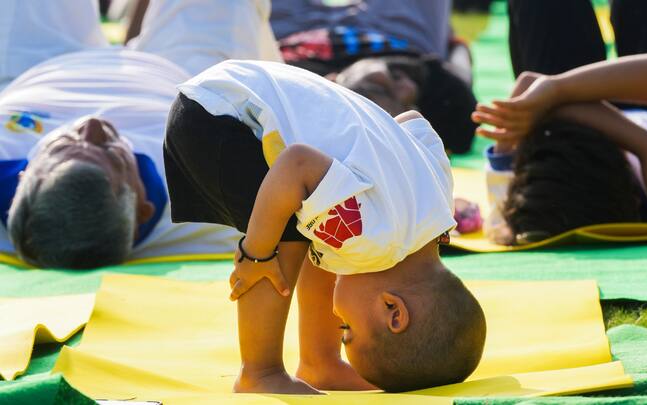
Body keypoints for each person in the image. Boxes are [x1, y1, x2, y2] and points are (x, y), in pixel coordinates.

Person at [164, 60, 486, 393]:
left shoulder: (436, 209)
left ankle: (321, 363)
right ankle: (259, 373)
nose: (339, 319)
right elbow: (296, 164)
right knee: (284, 233)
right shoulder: (374, 237)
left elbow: (412, 122)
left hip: (240, 91)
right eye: (348, 328)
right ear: (393, 310)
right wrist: (256, 253)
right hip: (217, 117)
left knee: (323, 233)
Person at [0, 0, 280, 268]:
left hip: (34, 66)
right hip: (182, 74)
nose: (93, 125)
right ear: (143, 209)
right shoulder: (221, 206)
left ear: (21, 182)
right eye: (111, 150)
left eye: (62, 146)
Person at [472, 0, 647, 245]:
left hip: (567, 107)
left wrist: (555, 90)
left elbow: (527, 88)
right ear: (635, 198)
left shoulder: (518, 212)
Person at [267, 0, 478, 154]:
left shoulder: (291, 87)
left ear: (333, 81)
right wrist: (459, 48)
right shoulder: (442, 107)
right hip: (401, 32)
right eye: (411, 108)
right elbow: (461, 83)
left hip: (284, 30)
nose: (407, 89)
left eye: (380, 88)